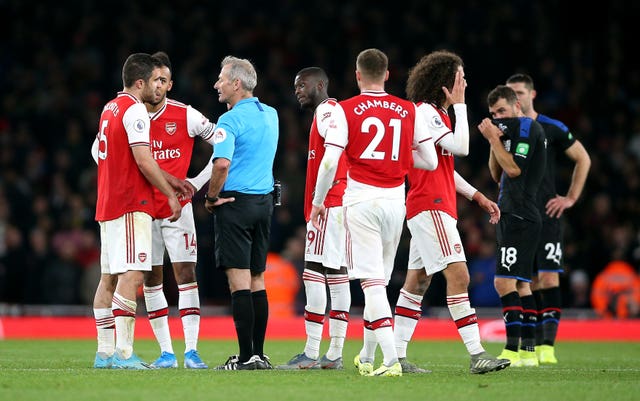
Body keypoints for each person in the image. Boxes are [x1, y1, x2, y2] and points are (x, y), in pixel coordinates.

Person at [309, 48, 438, 377]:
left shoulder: (346, 109)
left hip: (362, 201)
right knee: (378, 279)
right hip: (397, 202)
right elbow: (431, 161)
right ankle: (366, 357)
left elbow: (329, 160)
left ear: (357, 75)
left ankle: (391, 360)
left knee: (372, 284)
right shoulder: (409, 109)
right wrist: (397, 161)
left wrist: (318, 201)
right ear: (388, 74)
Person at [393, 50, 510, 374]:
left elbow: (445, 167)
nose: (465, 83)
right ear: (446, 84)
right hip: (431, 206)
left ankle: (396, 357)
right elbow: (462, 147)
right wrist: (460, 105)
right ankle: (477, 354)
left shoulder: (430, 115)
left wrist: (477, 196)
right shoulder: (429, 113)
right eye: (460, 78)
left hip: (430, 204)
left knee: (417, 283)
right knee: (459, 275)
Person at [92, 53, 183, 369]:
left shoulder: (109, 108)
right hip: (132, 204)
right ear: (140, 82)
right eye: (154, 80)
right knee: (132, 275)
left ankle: (104, 354)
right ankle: (124, 354)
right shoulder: (136, 111)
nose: (158, 88)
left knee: (109, 278)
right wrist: (170, 194)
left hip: (107, 203)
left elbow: (99, 152)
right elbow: (144, 160)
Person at [506, 73, 591, 364]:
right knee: (521, 279)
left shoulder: (552, 128)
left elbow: (583, 158)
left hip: (547, 214)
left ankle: (547, 347)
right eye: (511, 93)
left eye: (519, 92)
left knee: (547, 276)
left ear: (532, 94)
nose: (515, 98)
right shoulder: (508, 128)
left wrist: (570, 198)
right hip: (517, 215)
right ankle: (528, 345)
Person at [141, 51, 215, 369]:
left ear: (170, 84)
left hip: (178, 209)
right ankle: (166, 353)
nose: (157, 86)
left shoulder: (185, 115)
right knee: (151, 280)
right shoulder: (131, 116)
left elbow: (224, 144)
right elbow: (97, 150)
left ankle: (192, 351)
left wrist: (197, 183)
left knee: (186, 276)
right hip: (143, 209)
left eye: (163, 80)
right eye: (153, 79)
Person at [204, 55, 279, 370]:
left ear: (236, 83)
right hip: (264, 204)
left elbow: (221, 164)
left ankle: (245, 357)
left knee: (239, 283)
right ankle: (259, 354)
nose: (216, 84)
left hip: (234, 205)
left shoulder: (229, 120)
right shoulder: (271, 114)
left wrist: (211, 197)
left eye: (221, 79)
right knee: (258, 279)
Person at [277, 67, 350, 370]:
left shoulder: (327, 111)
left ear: (320, 84)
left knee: (313, 270)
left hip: (329, 205)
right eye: (295, 86)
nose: (297, 90)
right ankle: (334, 353)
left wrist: (317, 203)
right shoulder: (334, 113)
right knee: (337, 274)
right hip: (342, 204)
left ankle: (310, 351)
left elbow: (331, 159)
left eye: (302, 85)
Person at [477, 85, 546, 368]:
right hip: (515, 215)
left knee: (502, 282)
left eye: (502, 111)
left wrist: (494, 137)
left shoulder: (528, 128)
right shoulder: (511, 133)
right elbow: (497, 174)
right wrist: (497, 140)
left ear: (517, 106)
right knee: (521, 283)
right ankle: (528, 351)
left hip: (519, 215)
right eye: (494, 114)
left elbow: (515, 170)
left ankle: (511, 350)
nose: (498, 118)